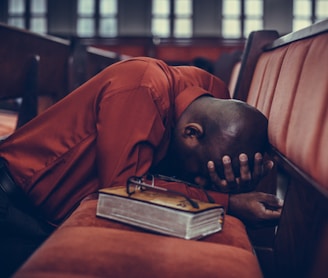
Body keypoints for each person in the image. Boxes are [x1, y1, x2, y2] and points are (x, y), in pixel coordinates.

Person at [0, 57, 282, 271]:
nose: (200, 179)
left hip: (53, 214)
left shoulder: (210, 94)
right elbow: (125, 192)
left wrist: (236, 182)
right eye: (200, 173)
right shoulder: (141, 87)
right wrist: (228, 202)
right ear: (191, 133)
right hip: (14, 206)